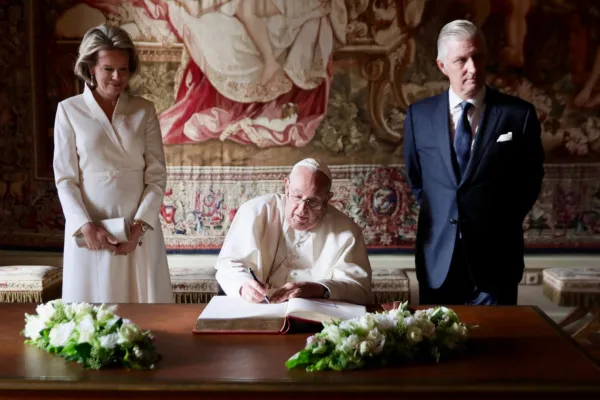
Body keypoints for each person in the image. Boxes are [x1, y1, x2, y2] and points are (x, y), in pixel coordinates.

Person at [403, 19, 544, 306]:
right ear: (442, 66)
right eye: (461, 60)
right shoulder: (419, 116)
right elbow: (417, 180)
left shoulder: (518, 115)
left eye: (478, 57)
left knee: (497, 348)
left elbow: (529, 180)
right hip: (437, 260)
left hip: (497, 259)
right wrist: (447, 212)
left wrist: (496, 220)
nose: (473, 68)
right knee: (439, 346)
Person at [53, 24, 173, 303]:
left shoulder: (144, 109)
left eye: (124, 69)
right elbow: (65, 179)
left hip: (137, 229)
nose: (118, 77)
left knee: (146, 312)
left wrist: (138, 229)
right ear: (91, 67)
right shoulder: (69, 111)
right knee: (92, 316)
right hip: (91, 229)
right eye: (108, 69)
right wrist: (85, 227)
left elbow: (156, 176)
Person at [215, 158, 372, 305]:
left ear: (327, 199)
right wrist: (243, 285)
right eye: (297, 196)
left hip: (313, 318)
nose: (302, 210)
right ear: (286, 186)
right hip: (258, 309)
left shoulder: (347, 231)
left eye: (313, 201)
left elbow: (359, 288)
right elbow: (228, 265)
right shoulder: (255, 211)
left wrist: (320, 289)